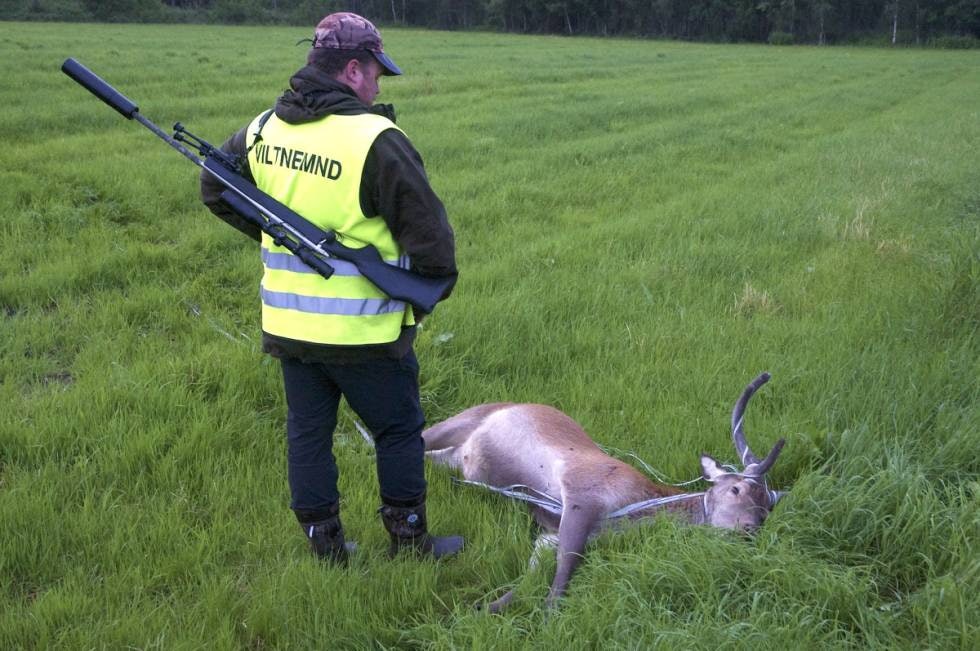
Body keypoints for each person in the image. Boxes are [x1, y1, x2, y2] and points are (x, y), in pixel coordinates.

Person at [200, 12, 462, 563]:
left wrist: (278, 237)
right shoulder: (376, 140)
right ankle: (410, 544)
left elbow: (215, 187)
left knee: (308, 435)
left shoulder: (262, 129)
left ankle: (328, 552)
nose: (378, 85)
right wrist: (412, 290)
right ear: (351, 70)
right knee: (397, 431)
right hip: (364, 330)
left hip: (290, 327)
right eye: (375, 74)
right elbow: (435, 248)